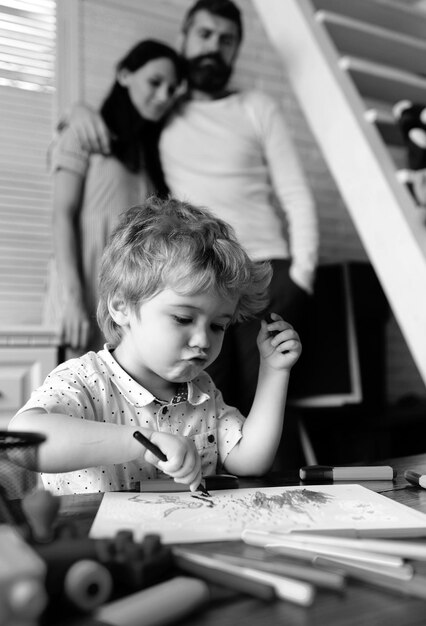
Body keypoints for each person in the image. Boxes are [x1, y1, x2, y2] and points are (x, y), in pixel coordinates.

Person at [63, 0, 318, 414]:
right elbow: (118, 118)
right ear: (183, 38)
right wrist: (77, 113)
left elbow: (295, 193)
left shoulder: (257, 106)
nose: (213, 47)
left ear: (236, 49)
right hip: (194, 278)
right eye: (204, 35)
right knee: (202, 405)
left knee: (268, 403)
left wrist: (302, 275)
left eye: (226, 40)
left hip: (266, 273)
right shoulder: (163, 111)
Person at [9, 197, 302, 496]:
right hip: (93, 537)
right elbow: (24, 443)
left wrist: (274, 371)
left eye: (217, 326)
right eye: (183, 318)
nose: (203, 340)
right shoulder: (85, 380)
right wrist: (140, 440)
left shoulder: (202, 392)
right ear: (121, 306)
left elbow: (250, 461)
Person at [46, 39, 186, 356]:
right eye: (155, 82)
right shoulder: (84, 134)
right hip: (80, 302)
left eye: (171, 89)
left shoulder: (151, 164)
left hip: (127, 312)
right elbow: (61, 217)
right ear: (124, 75)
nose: (164, 96)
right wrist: (71, 301)